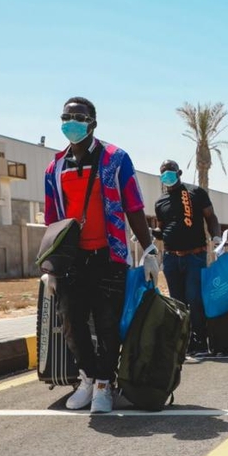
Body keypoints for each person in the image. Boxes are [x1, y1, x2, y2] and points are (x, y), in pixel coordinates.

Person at [44, 96, 157, 413]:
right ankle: (88, 378)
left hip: (110, 256)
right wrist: (51, 268)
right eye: (66, 116)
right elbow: (52, 219)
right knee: (73, 323)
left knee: (108, 325)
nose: (71, 122)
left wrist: (148, 250)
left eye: (78, 117)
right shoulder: (55, 168)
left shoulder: (116, 159)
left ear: (92, 123)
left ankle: (105, 386)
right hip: (73, 260)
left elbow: (134, 207)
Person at [153, 160, 221, 356]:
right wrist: (151, 233)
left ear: (179, 172)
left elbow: (211, 217)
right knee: (177, 302)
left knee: (194, 298)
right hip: (171, 258)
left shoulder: (195, 192)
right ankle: (184, 340)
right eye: (163, 173)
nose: (167, 176)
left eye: (170, 172)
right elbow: (162, 227)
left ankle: (200, 340)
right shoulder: (160, 201)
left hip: (195, 255)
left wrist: (216, 236)